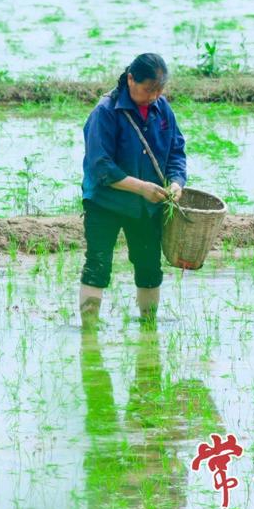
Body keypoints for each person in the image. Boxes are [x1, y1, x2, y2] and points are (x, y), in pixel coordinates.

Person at [79, 53, 187, 324]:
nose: (154, 96)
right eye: (149, 89)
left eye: (159, 90)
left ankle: (148, 328)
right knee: (98, 267)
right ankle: (89, 332)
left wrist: (176, 183)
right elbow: (100, 166)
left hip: (146, 206)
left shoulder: (163, 110)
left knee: (149, 267)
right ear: (130, 79)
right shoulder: (105, 112)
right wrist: (140, 188)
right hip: (106, 203)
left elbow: (176, 151)